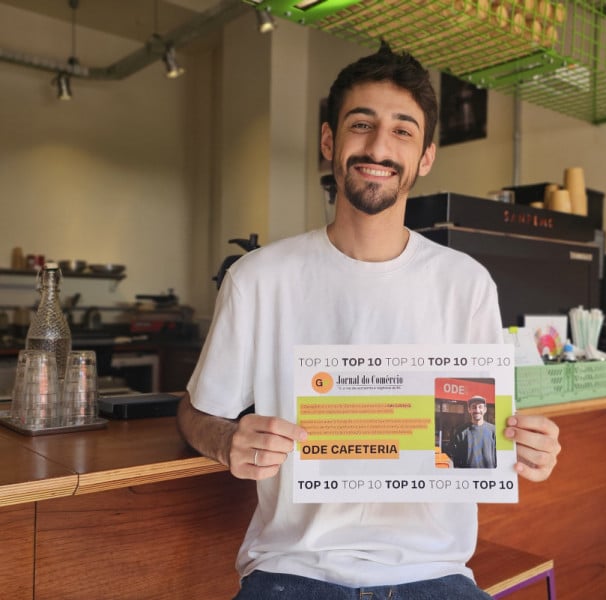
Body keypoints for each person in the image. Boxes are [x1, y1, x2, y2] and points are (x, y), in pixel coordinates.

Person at [177, 41, 561, 600]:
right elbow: (193, 412)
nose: (379, 145)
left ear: (425, 157)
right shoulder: (258, 278)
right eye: (361, 124)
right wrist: (226, 439)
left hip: (436, 574)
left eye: (403, 130)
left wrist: (527, 445)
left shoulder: (467, 284)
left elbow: (477, 431)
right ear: (329, 141)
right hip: (293, 572)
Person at [450, 396, 497, 469]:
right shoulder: (461, 431)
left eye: (480, 407)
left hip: (490, 475)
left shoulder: (494, 430)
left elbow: (499, 456)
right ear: (469, 409)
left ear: (485, 410)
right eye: (474, 407)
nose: (477, 410)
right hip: (468, 476)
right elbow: (456, 459)